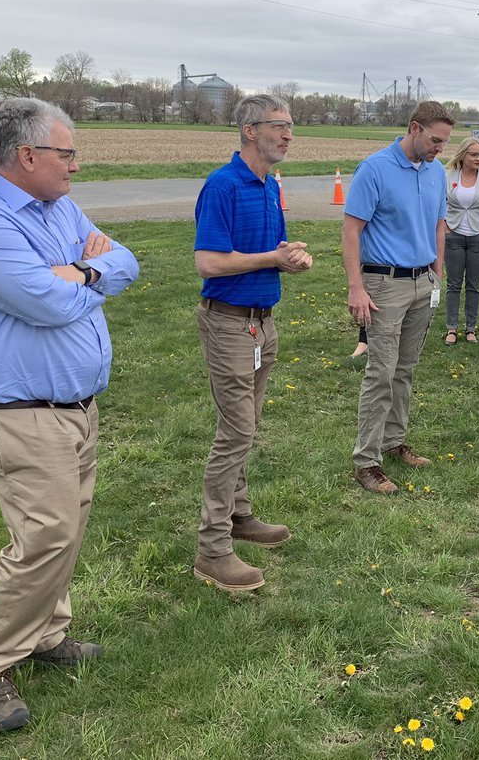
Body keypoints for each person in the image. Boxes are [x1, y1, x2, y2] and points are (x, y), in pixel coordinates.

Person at [0, 98, 140, 731]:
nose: (76, 165)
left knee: (65, 530)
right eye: (67, 153)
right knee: (46, 535)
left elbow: (126, 262)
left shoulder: (58, 207)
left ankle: (47, 633)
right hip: (20, 415)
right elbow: (47, 304)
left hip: (74, 407)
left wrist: (78, 272)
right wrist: (88, 275)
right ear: (27, 155)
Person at [193, 94, 313, 592]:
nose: (288, 135)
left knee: (248, 425)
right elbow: (208, 262)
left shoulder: (269, 185)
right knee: (236, 432)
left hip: (262, 324)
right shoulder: (223, 185)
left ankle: (239, 516)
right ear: (249, 130)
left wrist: (291, 256)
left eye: (290, 126)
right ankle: (212, 548)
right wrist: (271, 259)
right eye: (278, 126)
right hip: (228, 325)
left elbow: (271, 251)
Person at [344, 101, 451, 494]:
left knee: (405, 369)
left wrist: (437, 273)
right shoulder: (375, 168)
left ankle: (393, 442)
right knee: (381, 372)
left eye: (445, 142)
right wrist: (356, 287)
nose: (440, 148)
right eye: (435, 140)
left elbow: (439, 224)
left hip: (423, 282)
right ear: (414, 128)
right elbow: (351, 230)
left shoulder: (437, 170)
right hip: (384, 285)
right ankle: (366, 462)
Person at [443, 136, 479, 344]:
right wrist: (445, 227)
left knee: (474, 284)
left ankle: (470, 328)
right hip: (453, 236)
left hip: (478, 237)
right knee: (453, 284)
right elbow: (439, 203)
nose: (478, 158)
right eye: (474, 154)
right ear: (463, 155)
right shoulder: (448, 176)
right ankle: (451, 328)